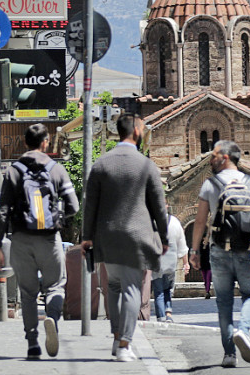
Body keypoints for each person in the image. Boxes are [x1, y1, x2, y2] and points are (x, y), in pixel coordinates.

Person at [81, 113, 169, 362]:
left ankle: (116, 334)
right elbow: (158, 206)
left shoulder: (101, 164)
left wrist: (86, 237)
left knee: (113, 286)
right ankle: (124, 344)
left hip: (106, 238)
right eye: (141, 127)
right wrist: (163, 237)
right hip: (136, 239)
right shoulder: (146, 165)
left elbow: (90, 205)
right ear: (136, 131)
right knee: (132, 288)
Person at [0, 123, 80, 360]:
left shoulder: (13, 170)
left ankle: (32, 344)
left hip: (20, 239)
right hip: (49, 239)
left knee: (28, 293)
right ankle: (51, 315)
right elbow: (74, 206)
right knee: (55, 286)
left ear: (24, 142)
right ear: (46, 142)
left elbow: (2, 210)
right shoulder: (56, 169)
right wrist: (56, 217)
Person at [189, 140, 250, 368]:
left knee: (224, 302)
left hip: (219, 250)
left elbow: (199, 221)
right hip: (247, 251)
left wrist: (194, 250)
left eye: (214, 154)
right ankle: (243, 331)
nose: (211, 158)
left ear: (225, 157)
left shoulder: (211, 184)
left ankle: (229, 354)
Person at [152, 202, 189, 322]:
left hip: (156, 261)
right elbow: (182, 244)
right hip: (171, 262)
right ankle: (168, 314)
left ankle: (161, 317)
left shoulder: (151, 221)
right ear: (167, 206)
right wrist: (185, 262)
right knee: (167, 289)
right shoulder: (175, 222)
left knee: (158, 291)